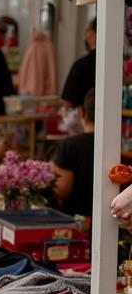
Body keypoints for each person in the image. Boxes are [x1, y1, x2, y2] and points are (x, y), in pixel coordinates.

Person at [53, 88, 96, 218]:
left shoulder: (70, 145)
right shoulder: (119, 147)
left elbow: (61, 190)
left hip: (75, 221)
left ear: (82, 113)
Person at [61, 18, 96, 109]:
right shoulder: (115, 66)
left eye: (88, 31)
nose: (85, 35)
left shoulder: (81, 65)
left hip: (84, 120)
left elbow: (67, 102)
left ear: (95, 34)